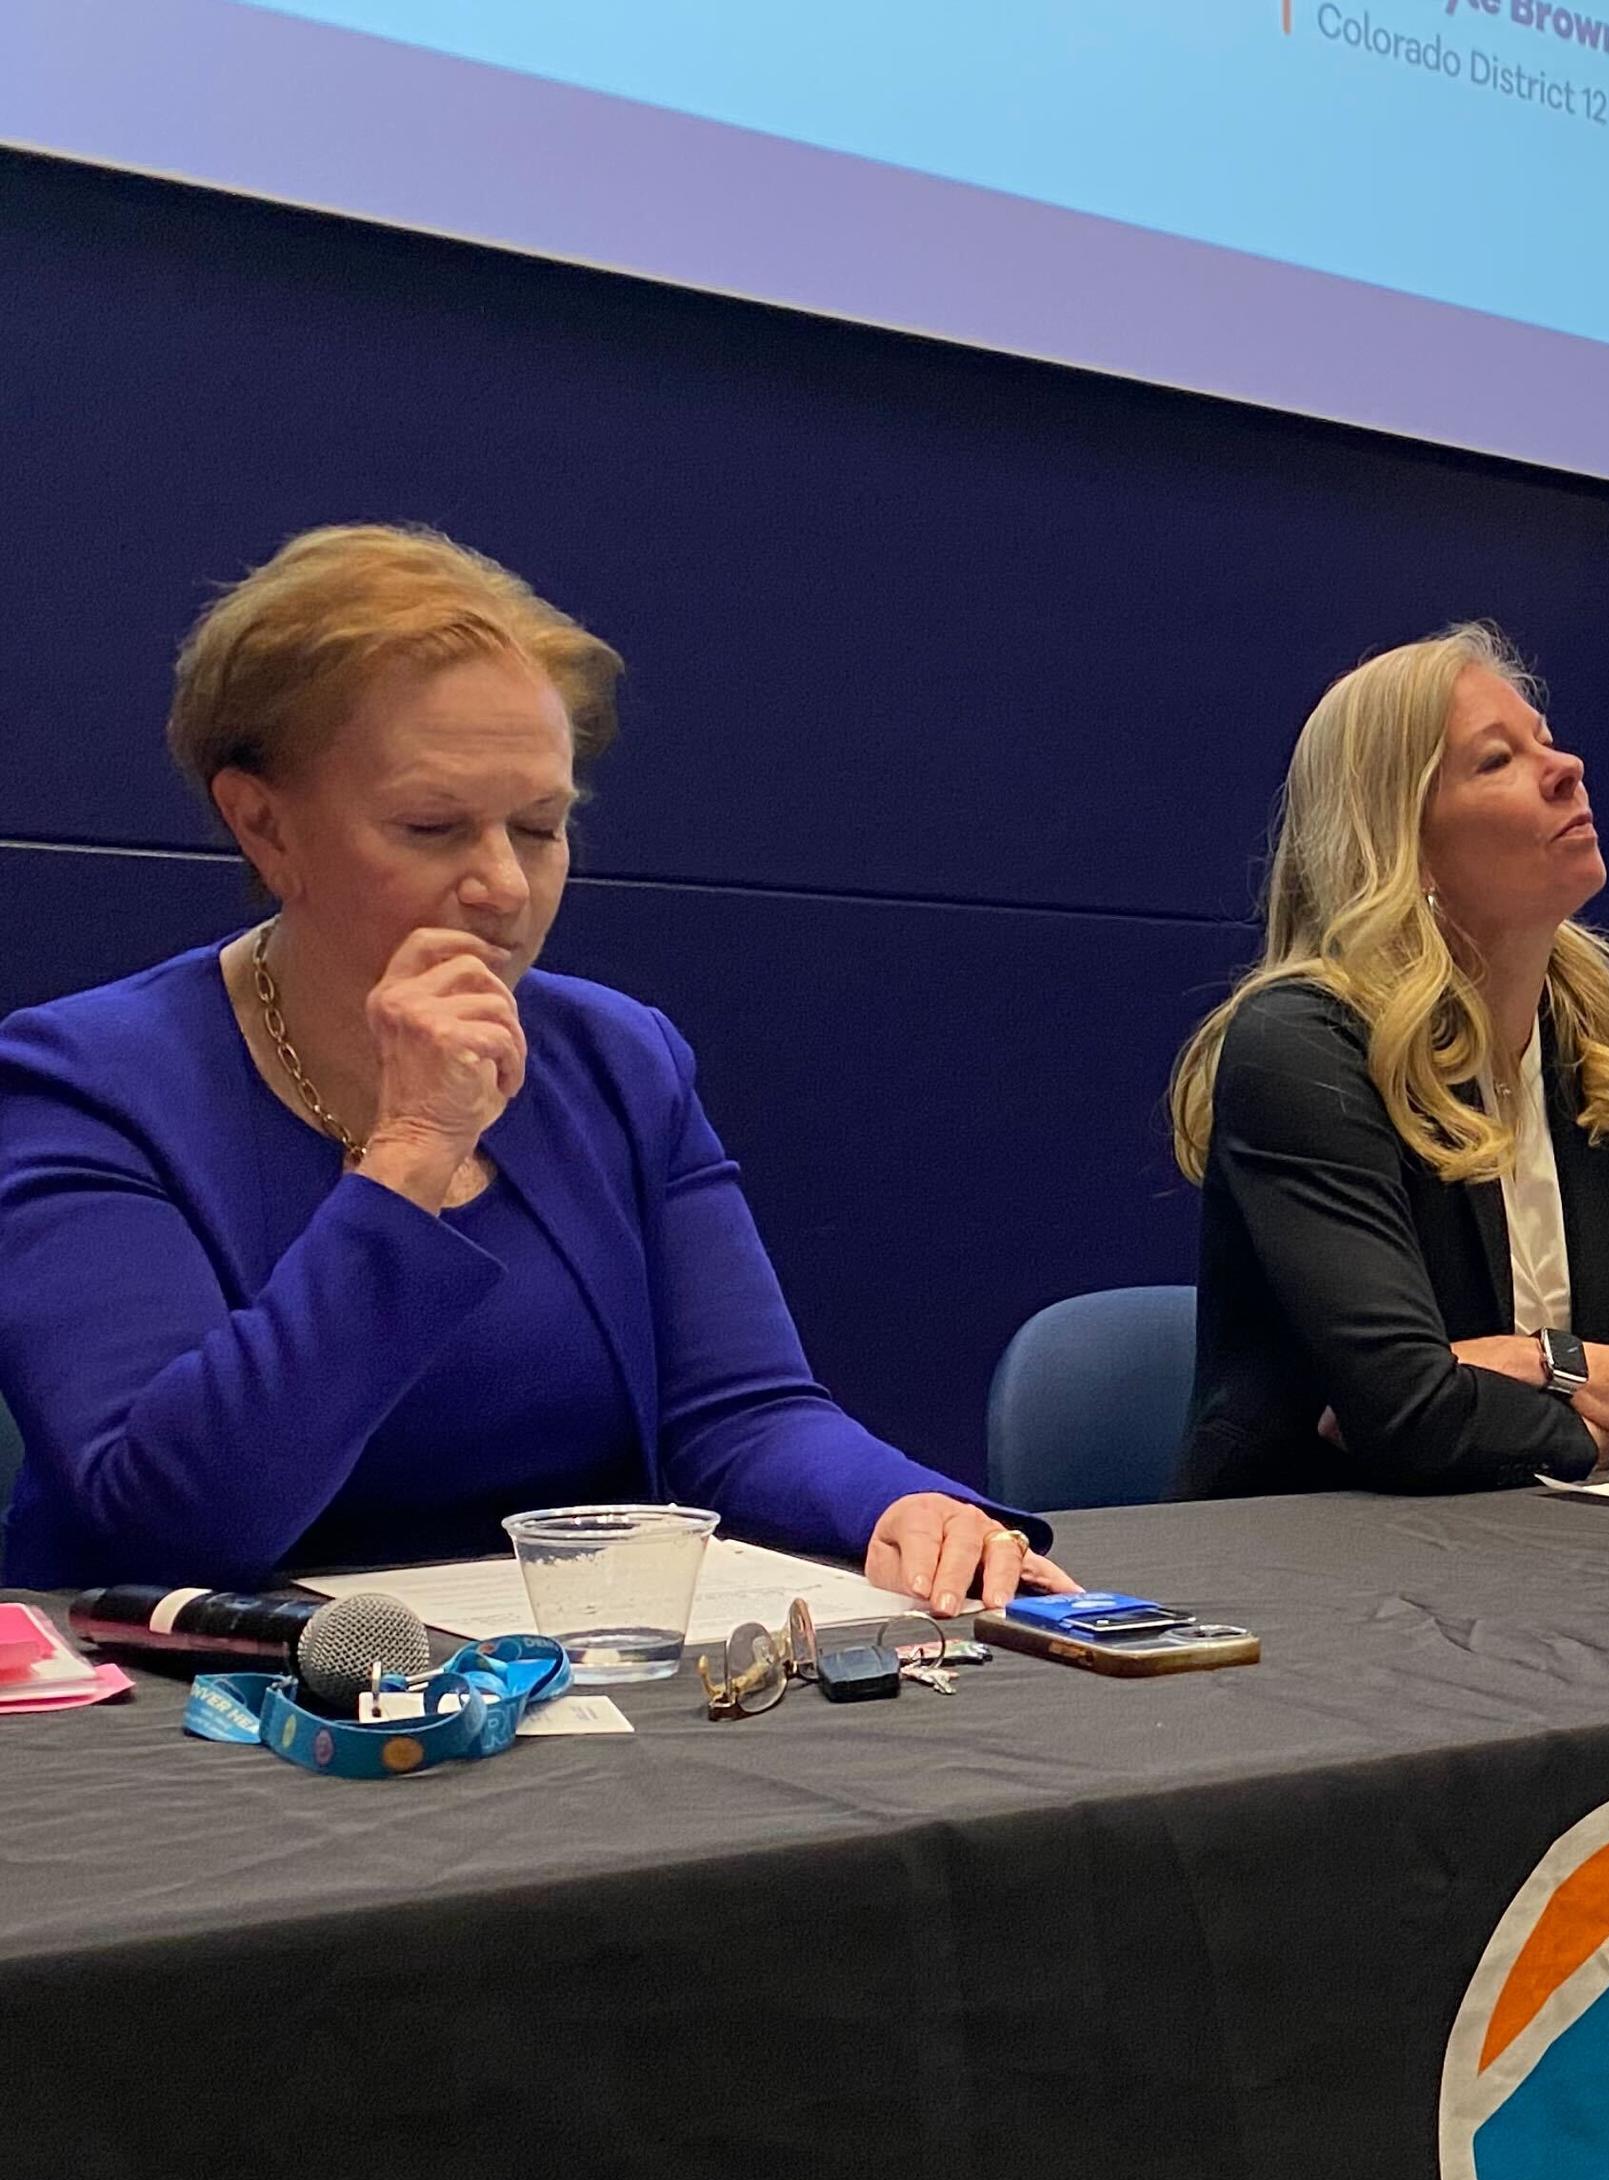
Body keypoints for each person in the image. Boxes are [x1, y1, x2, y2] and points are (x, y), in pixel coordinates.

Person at [0, 523, 1061, 1608]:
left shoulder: (617, 1059)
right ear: (263, 824)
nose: (504, 885)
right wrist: (412, 1156)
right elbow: (173, 1524)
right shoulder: (83, 1084)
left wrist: (904, 1506)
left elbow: (740, 1415)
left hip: (562, 1684)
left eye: (541, 828)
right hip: (194, 1714)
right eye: (433, 827)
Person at [1167, 625, 1609, 1497]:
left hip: (1557, 1565)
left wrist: (1551, 1363)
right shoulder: (1302, 1048)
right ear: (1404, 843)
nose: (1568, 768)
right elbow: (1413, 1417)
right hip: (1316, 1583)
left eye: (1546, 741)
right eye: (1496, 760)